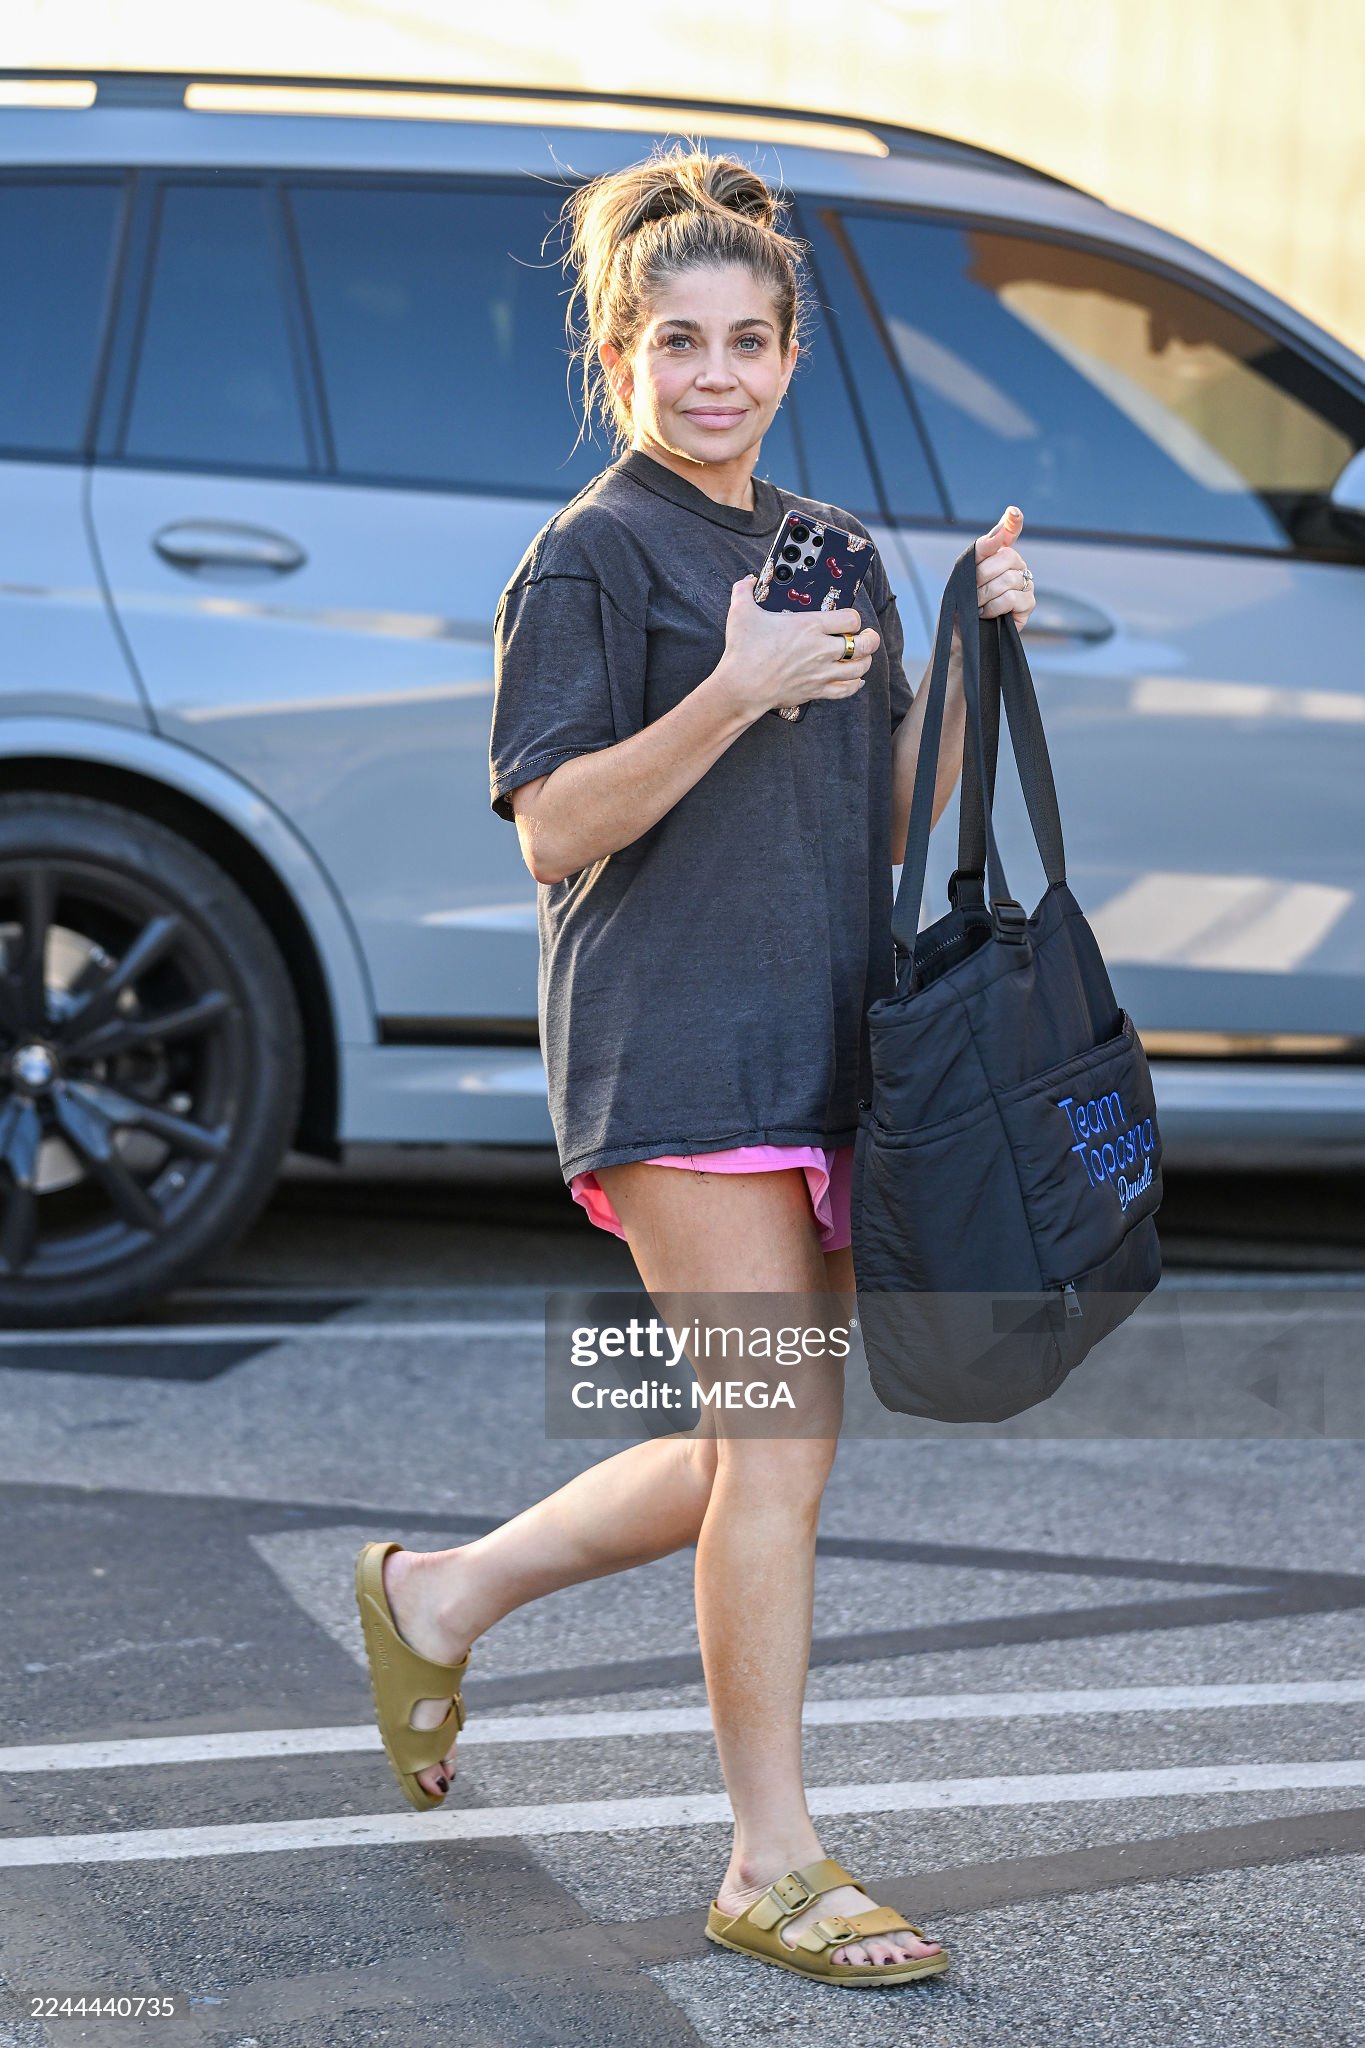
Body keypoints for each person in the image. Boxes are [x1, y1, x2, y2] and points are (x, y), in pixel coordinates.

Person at [355, 139, 1036, 1989]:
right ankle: (769, 1863)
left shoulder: (829, 549)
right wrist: (729, 691)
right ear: (618, 357)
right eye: (676, 341)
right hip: (674, 1053)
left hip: (826, 1051)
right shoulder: (593, 554)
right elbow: (552, 828)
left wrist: (971, 655)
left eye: (746, 340)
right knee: (781, 1445)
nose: (713, 373)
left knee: (761, 1436)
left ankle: (442, 1593)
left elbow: (890, 814)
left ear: (791, 354)